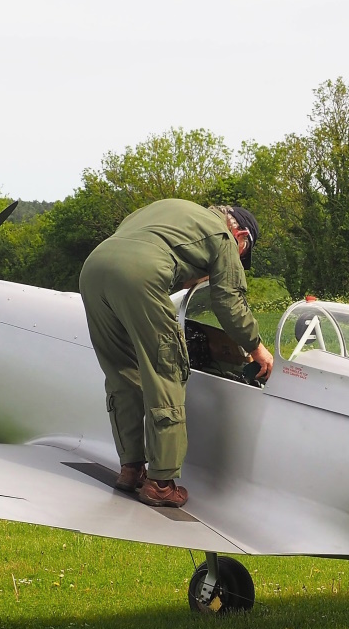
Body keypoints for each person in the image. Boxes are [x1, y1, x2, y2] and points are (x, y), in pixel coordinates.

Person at [79, 199, 274, 508]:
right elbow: (228, 302)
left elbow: (153, 256)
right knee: (167, 368)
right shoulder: (222, 237)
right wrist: (256, 347)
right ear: (240, 236)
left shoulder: (172, 211)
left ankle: (131, 469)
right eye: (242, 255)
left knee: (122, 372)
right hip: (139, 274)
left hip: (93, 270)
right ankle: (160, 483)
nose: (238, 259)